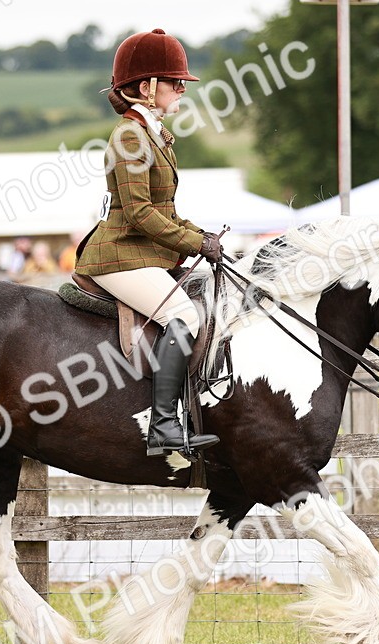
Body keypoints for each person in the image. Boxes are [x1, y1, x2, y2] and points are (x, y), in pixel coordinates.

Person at [75, 28, 221, 457]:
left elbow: (166, 209)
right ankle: (163, 427)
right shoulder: (130, 137)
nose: (181, 89)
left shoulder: (153, 133)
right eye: (175, 82)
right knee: (184, 314)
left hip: (141, 252)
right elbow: (139, 213)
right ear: (147, 87)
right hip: (119, 255)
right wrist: (194, 244)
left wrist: (203, 236)